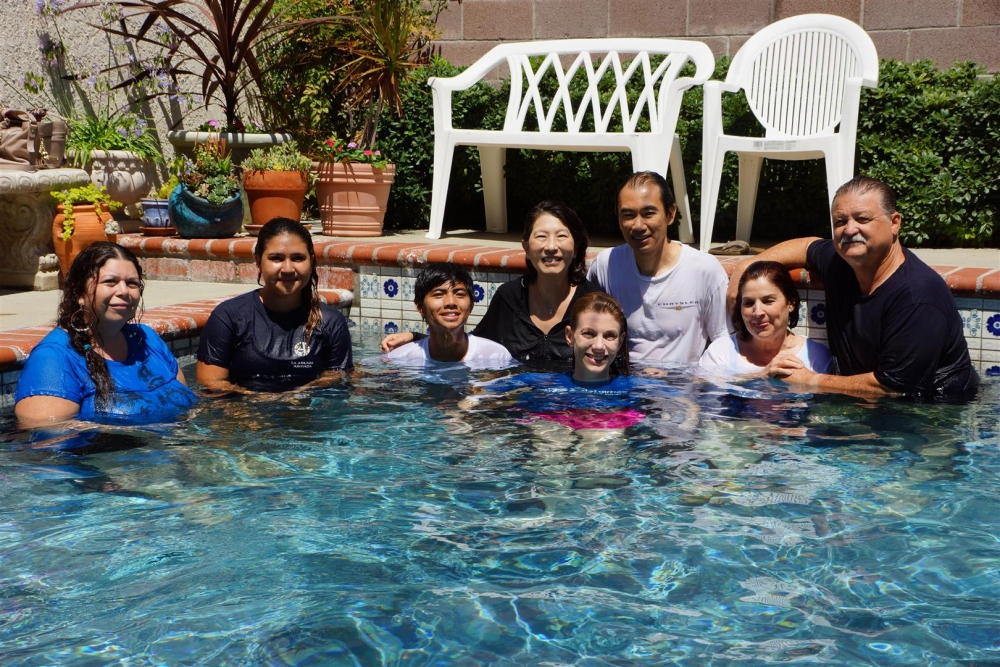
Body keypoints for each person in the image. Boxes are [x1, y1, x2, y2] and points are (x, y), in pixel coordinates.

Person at [728, 176, 977, 397]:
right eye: (840, 221)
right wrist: (747, 266)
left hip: (933, 413)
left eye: (862, 218)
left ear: (894, 223)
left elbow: (893, 388)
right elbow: (806, 246)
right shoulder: (841, 261)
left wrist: (810, 380)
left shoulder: (917, 296)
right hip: (866, 408)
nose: (849, 229)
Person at [381, 200, 602, 366]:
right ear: (526, 247)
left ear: (576, 246)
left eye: (561, 236)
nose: (551, 246)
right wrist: (417, 339)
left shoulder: (594, 303)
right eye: (541, 237)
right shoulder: (510, 298)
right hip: (516, 406)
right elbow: (473, 343)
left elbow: (613, 357)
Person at [15, 242, 197, 427]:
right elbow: (48, 435)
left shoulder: (147, 339)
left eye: (132, 283)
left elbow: (189, 410)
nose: (124, 291)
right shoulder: (52, 358)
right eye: (110, 282)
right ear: (79, 293)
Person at [463, 292, 681, 430]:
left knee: (603, 438)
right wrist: (464, 411)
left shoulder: (636, 387)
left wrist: (681, 424)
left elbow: (685, 404)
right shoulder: (541, 383)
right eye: (588, 334)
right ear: (570, 336)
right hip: (550, 441)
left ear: (620, 340)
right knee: (550, 437)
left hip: (607, 445)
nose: (598, 345)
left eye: (609, 336)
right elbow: (483, 394)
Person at [587, 171, 730, 365]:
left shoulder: (703, 270)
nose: (638, 225)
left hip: (681, 382)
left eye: (648, 213)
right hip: (623, 381)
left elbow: (724, 339)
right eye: (628, 215)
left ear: (670, 214)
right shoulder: (607, 265)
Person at [197, 217, 352, 391]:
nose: (288, 269)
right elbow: (212, 384)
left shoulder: (331, 322)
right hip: (243, 408)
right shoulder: (228, 317)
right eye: (276, 258)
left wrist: (300, 394)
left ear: (311, 261)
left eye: (298, 258)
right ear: (258, 261)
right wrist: (261, 399)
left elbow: (336, 380)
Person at [699, 261, 833, 377]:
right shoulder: (721, 351)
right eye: (749, 303)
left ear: (790, 303)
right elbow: (702, 389)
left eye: (768, 301)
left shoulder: (814, 356)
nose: (758, 312)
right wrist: (761, 376)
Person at [385, 263, 516, 368]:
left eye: (460, 294)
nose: (451, 302)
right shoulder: (399, 359)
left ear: (471, 305)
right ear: (420, 307)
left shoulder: (497, 356)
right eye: (438, 294)